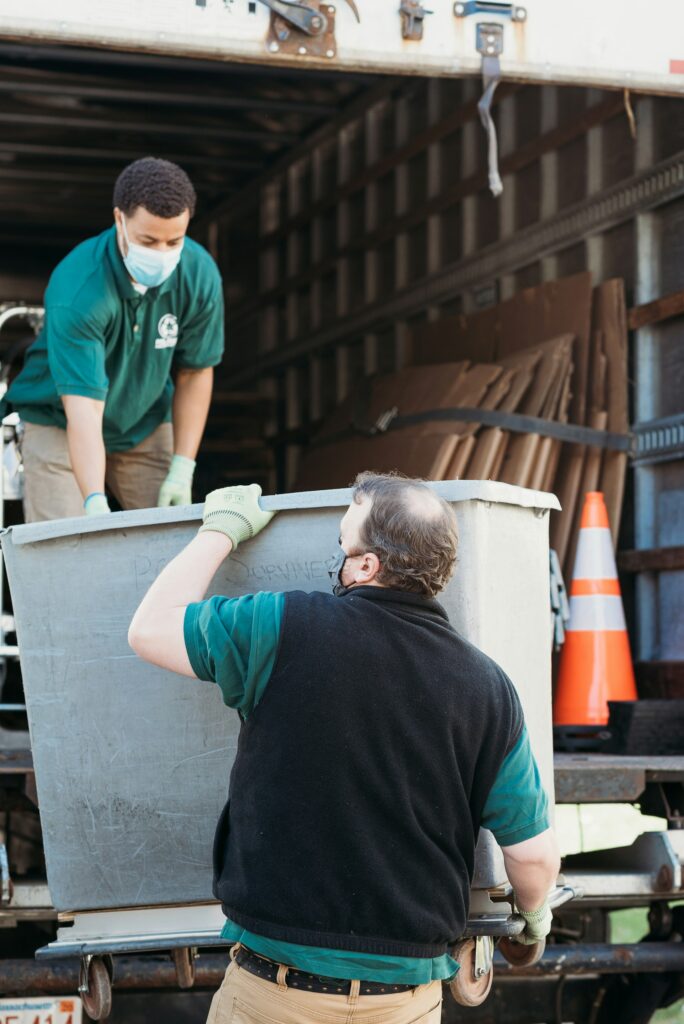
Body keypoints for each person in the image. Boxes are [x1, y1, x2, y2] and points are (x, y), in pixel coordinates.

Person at [128, 472, 560, 1024]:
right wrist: (534, 916)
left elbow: (148, 630)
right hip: (405, 1005)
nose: (337, 557)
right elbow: (533, 856)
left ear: (366, 566)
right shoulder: (488, 688)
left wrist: (222, 531)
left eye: (342, 543)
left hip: (273, 996)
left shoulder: (279, 625)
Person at [3, 157, 224, 522]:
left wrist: (183, 467)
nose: (162, 254)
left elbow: (195, 372)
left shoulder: (198, 274)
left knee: (171, 541)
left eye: (175, 240)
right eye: (148, 240)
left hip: (144, 423)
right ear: (119, 219)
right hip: (60, 421)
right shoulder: (79, 288)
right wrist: (93, 499)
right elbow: (85, 411)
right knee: (66, 547)